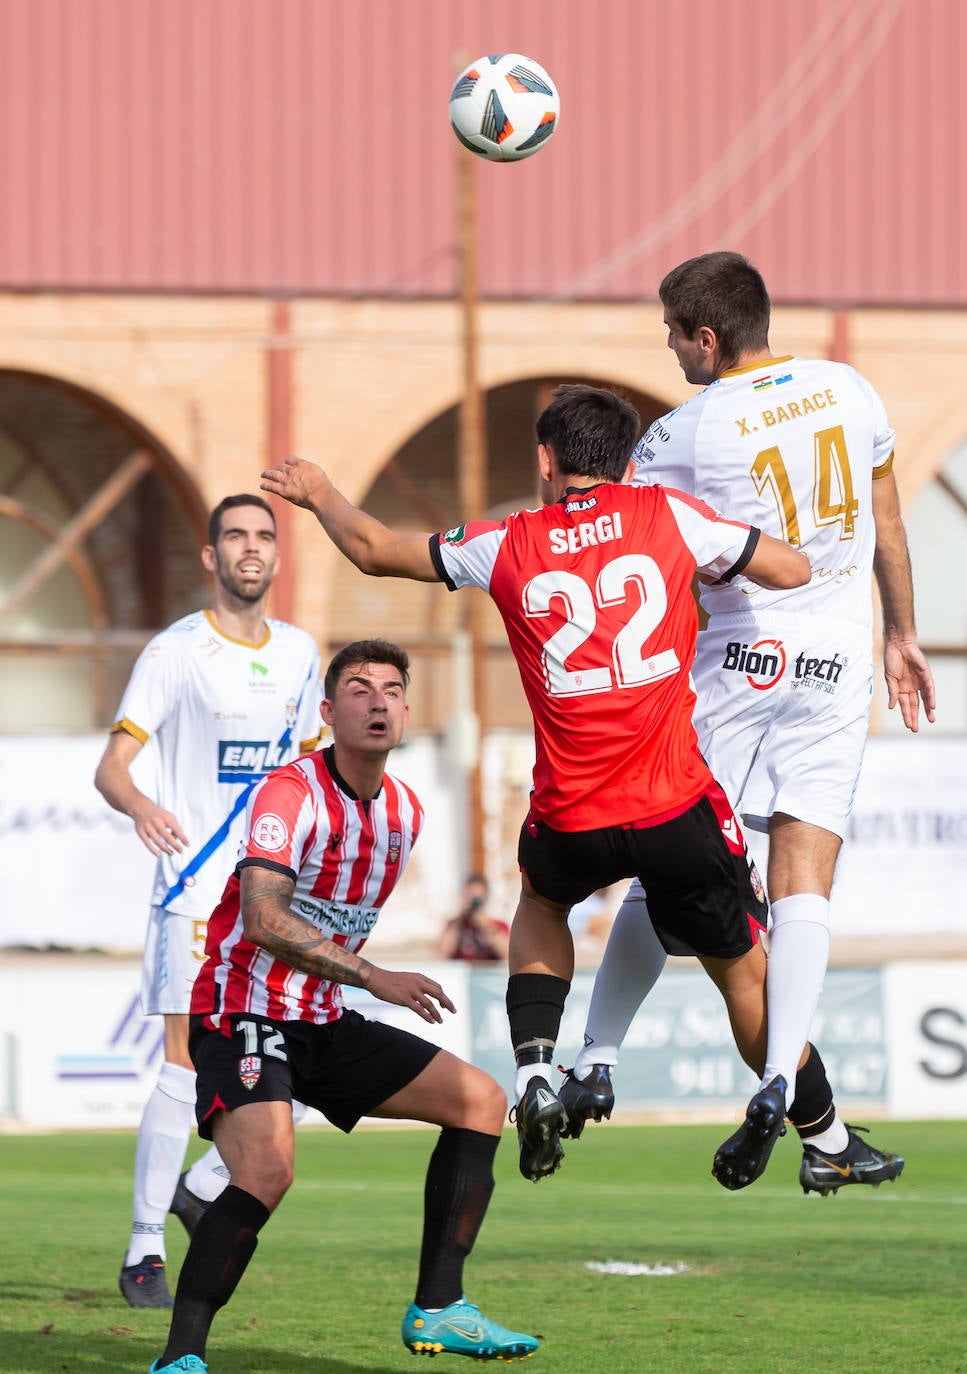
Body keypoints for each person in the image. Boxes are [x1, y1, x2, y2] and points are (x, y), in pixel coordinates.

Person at [260, 383, 818, 1187]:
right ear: (622, 463)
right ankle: (785, 1099)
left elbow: (375, 549)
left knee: (543, 905)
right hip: (674, 804)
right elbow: (789, 570)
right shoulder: (668, 517)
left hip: (571, 811)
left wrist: (319, 494)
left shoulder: (506, 542)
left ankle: (531, 1071)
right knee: (742, 970)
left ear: (547, 461)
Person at [561, 251, 935, 1194]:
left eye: (672, 334)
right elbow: (887, 516)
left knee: (666, 862)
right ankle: (781, 1089)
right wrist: (903, 634)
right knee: (804, 882)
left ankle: (593, 1058)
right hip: (839, 659)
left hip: (736, 663)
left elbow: (635, 552)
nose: (670, 349)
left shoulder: (679, 434)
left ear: (706, 337)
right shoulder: (848, 390)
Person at [148, 639, 538, 1373]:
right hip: (245, 1013)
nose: (378, 701)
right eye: (359, 689)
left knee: (481, 1101)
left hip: (324, 1019)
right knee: (267, 1171)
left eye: (391, 688)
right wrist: (372, 976)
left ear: (407, 709)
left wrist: (355, 982)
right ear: (328, 713)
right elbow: (263, 918)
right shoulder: (288, 794)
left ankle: (439, 1308)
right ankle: (180, 1358)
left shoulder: (404, 812)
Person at [94, 494, 323, 1308]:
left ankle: (199, 1187)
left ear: (276, 554)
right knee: (183, 1064)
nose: (251, 549)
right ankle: (144, 1248)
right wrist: (143, 806)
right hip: (194, 892)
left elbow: (308, 772)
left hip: (269, 894)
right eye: (236, 536)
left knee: (291, 1061)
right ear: (211, 555)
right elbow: (112, 766)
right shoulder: (176, 652)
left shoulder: (301, 653)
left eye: (264, 536)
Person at [437, 874, 511, 962]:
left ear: (486, 898)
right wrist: (459, 920)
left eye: (477, 898)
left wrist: (488, 927)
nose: (473, 903)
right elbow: (442, 954)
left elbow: (508, 955)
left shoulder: (498, 925)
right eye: (470, 896)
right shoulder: (455, 924)